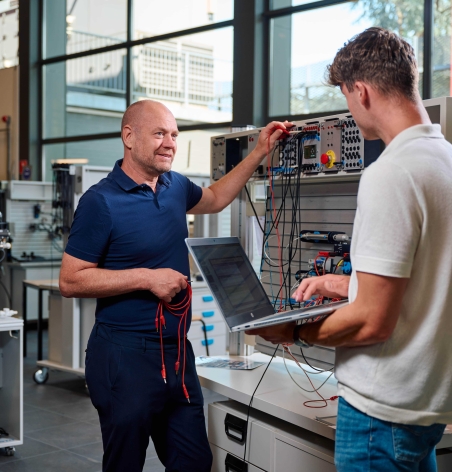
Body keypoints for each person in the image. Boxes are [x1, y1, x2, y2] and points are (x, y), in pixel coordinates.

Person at [247, 27, 452, 472]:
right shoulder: (446, 161)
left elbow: (373, 322)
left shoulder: (390, 173)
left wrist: (292, 332)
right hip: (425, 406)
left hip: (380, 412)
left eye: (345, 96)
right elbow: (431, 275)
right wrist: (345, 282)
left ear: (360, 91)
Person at [59, 99, 291, 472]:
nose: (170, 142)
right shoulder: (100, 202)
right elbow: (70, 280)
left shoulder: (175, 186)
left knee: (195, 462)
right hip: (123, 356)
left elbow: (215, 198)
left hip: (177, 354)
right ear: (129, 137)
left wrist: (259, 153)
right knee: (125, 464)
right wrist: (148, 278)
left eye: (174, 135)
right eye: (159, 134)